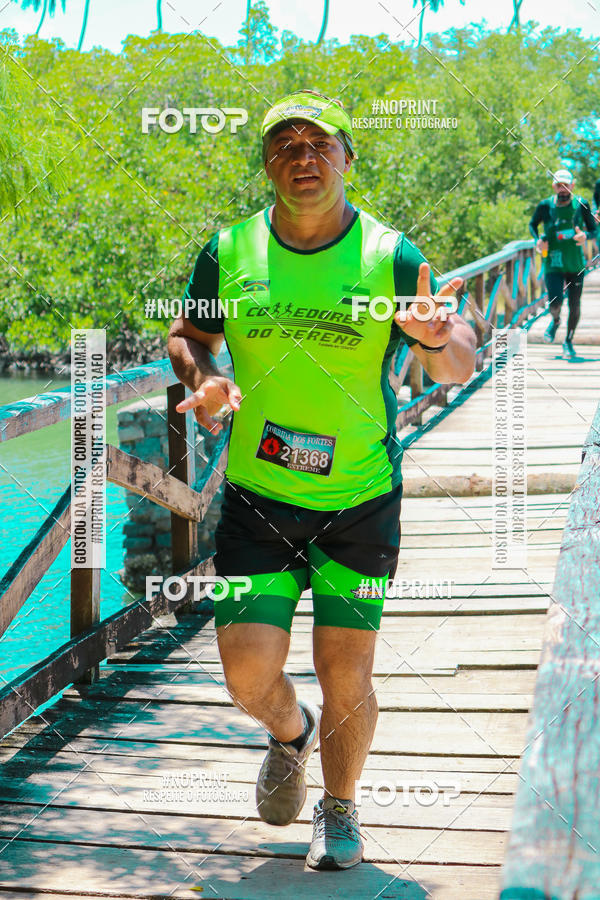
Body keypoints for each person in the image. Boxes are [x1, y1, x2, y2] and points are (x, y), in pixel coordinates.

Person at [168, 89, 475, 871]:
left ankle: (339, 810)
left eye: (318, 144)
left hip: (359, 502)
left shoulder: (392, 255)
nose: (302, 159)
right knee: (246, 675)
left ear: (346, 156)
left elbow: (460, 357)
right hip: (256, 499)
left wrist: (436, 338)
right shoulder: (228, 250)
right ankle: (289, 733)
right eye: (284, 146)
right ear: (267, 163)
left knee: (349, 668)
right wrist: (202, 379)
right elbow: (188, 334)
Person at [529, 169, 596, 359]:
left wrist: (585, 236)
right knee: (555, 302)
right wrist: (537, 240)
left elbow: (593, 230)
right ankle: (556, 320)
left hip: (576, 265)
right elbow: (532, 225)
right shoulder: (545, 206)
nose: (563, 189)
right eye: (559, 185)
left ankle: (568, 340)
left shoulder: (581, 204)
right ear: (554, 187)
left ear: (572, 185)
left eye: (566, 185)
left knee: (575, 306)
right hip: (553, 263)